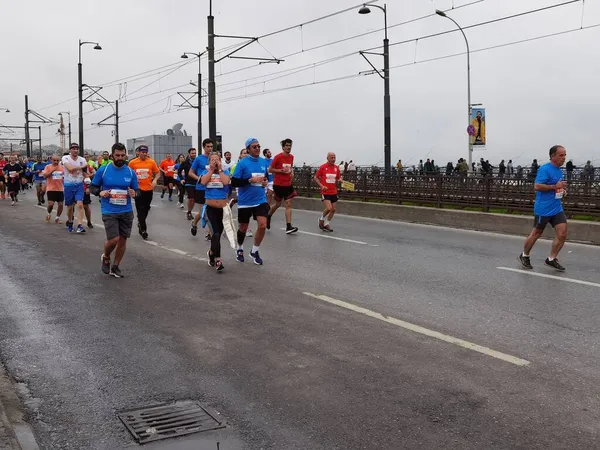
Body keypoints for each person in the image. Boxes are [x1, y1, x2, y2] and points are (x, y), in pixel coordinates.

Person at [90, 143, 139, 278]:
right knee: (114, 239)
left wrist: (135, 193)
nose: (120, 157)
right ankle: (106, 256)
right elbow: (92, 188)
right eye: (117, 155)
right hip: (109, 209)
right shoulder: (103, 170)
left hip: (126, 210)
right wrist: (100, 192)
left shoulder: (130, 172)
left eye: (122, 155)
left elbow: (138, 190)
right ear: (112, 155)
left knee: (123, 240)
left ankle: (116, 266)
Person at [519, 145, 568, 272]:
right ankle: (524, 255)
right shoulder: (545, 169)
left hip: (556, 207)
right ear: (553, 156)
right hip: (543, 209)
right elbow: (537, 186)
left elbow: (556, 186)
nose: (564, 158)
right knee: (536, 233)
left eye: (565, 155)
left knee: (562, 234)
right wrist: (554, 186)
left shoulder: (558, 170)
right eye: (561, 155)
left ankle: (551, 259)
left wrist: (561, 190)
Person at [231, 138, 270, 265]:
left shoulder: (263, 162)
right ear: (248, 149)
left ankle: (255, 251)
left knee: (263, 224)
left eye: (259, 146)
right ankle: (240, 248)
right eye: (254, 147)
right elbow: (234, 182)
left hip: (260, 199)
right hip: (245, 201)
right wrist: (249, 180)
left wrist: (264, 182)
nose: (257, 148)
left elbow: (266, 178)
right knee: (243, 227)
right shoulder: (242, 164)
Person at [200, 152, 231, 271]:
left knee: (218, 234)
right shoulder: (205, 172)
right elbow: (203, 182)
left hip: (222, 209)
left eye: (217, 159)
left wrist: (220, 170)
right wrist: (211, 170)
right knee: (216, 234)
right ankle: (218, 260)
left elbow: (225, 182)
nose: (214, 161)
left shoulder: (225, 172)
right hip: (210, 208)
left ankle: (211, 253)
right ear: (209, 162)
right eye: (212, 160)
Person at [128, 145, 160, 240]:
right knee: (140, 208)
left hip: (148, 189)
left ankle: (140, 221)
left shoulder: (151, 162)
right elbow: (128, 174)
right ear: (139, 152)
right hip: (137, 189)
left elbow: (158, 173)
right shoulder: (132, 163)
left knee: (146, 208)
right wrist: (130, 186)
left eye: (146, 152)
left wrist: (155, 181)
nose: (144, 154)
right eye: (143, 152)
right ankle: (143, 229)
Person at [266, 138, 299, 234]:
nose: (289, 147)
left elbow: (290, 167)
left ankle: (289, 226)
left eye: (290, 146)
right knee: (278, 204)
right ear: (283, 147)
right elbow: (270, 170)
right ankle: (268, 216)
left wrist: (291, 172)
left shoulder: (291, 157)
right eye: (287, 146)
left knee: (288, 203)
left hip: (288, 184)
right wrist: (281, 171)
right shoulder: (278, 157)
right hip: (278, 184)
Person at [61, 142, 88, 233]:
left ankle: (80, 225)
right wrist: (82, 166)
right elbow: (70, 169)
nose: (75, 150)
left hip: (79, 185)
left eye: (77, 149)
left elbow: (84, 173)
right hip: (68, 185)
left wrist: (88, 183)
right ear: (70, 150)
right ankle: (70, 221)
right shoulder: (65, 158)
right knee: (69, 207)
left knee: (80, 205)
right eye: (73, 149)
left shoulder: (82, 159)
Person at [189, 139, 214, 238]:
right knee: (203, 213)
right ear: (204, 147)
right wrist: (199, 179)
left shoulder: (214, 159)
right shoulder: (199, 159)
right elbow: (190, 173)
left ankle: (209, 233)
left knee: (210, 212)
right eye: (208, 146)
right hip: (201, 189)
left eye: (211, 146)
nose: (210, 148)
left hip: (212, 189)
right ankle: (194, 223)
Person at [314, 152, 342, 232]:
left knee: (333, 209)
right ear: (327, 158)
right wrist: (322, 186)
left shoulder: (336, 168)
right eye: (331, 158)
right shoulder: (323, 167)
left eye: (334, 157)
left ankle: (327, 223)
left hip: (334, 191)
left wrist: (340, 180)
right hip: (325, 191)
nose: (333, 159)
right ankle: (321, 219)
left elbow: (338, 178)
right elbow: (315, 178)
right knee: (329, 208)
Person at [42, 154, 65, 223]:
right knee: (51, 204)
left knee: (60, 204)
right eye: (54, 160)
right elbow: (45, 176)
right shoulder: (48, 167)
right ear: (51, 160)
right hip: (51, 188)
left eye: (57, 160)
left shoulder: (62, 167)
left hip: (60, 188)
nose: (56, 162)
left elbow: (65, 176)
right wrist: (52, 171)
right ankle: (49, 213)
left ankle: (57, 218)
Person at [180, 148, 197, 220]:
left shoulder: (197, 161)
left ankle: (190, 211)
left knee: (194, 199)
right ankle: (189, 212)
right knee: (191, 198)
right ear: (189, 154)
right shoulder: (185, 162)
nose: (194, 154)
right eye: (192, 153)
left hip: (197, 181)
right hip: (188, 182)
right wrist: (182, 179)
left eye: (195, 153)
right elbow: (179, 171)